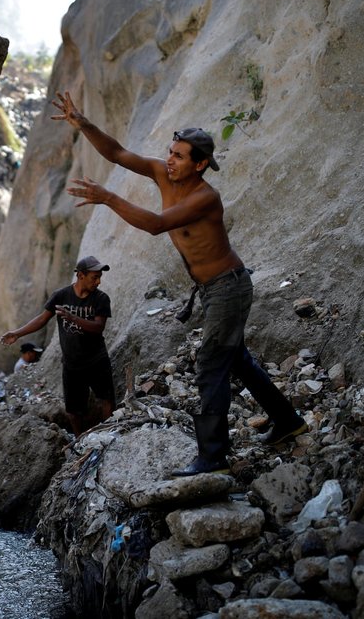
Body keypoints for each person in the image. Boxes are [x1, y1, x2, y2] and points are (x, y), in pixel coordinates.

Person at [51, 91, 307, 476]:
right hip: (212, 289)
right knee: (235, 359)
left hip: (229, 287)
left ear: (200, 164)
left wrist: (108, 198)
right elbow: (118, 153)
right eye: (169, 152)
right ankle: (288, 421)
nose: (169, 160)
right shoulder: (162, 172)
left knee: (210, 365)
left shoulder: (206, 197)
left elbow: (156, 225)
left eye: (179, 156)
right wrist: (83, 123)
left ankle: (212, 457)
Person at [0, 256, 117, 436]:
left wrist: (72, 317)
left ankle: (108, 435)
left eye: (100, 277)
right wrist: (17, 333)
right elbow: (42, 319)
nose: (98, 281)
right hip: (72, 364)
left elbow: (98, 327)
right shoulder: (61, 295)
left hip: (96, 360)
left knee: (106, 399)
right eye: (95, 277)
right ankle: (79, 441)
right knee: (73, 410)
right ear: (80, 275)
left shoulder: (101, 298)